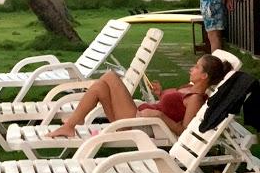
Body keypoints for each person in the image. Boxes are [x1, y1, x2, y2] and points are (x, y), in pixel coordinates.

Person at [45, 53, 228, 138]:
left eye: (196, 66)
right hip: (137, 116)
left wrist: (160, 116)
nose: (191, 68)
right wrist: (161, 93)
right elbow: (174, 106)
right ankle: (70, 125)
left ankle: (71, 124)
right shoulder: (190, 87)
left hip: (139, 124)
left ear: (204, 76)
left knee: (109, 77)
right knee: (100, 86)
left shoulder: (196, 98)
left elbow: (185, 131)